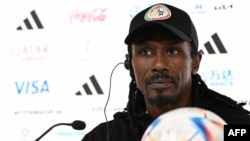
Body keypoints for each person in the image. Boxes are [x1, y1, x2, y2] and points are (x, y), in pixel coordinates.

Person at [82, 3, 250, 141]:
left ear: (195, 62)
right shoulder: (107, 137)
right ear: (130, 64)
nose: (159, 64)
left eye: (172, 51)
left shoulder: (233, 127)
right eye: (145, 52)